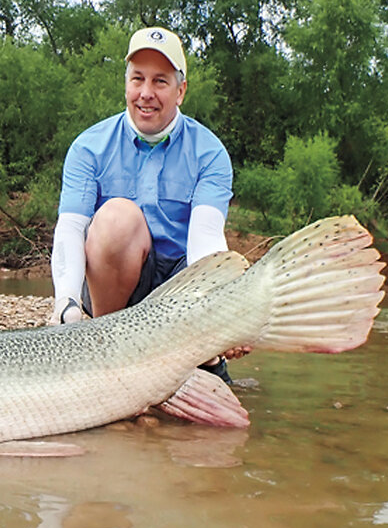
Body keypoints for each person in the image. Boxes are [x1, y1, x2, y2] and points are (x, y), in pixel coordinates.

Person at [49, 26, 246, 380]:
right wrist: (65, 302)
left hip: (180, 290)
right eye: (137, 79)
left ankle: (204, 356)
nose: (145, 94)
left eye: (160, 81)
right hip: (113, 290)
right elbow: (70, 228)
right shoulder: (87, 148)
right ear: (126, 85)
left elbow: (206, 242)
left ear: (181, 90)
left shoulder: (210, 152)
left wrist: (221, 312)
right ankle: (107, 346)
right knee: (116, 218)